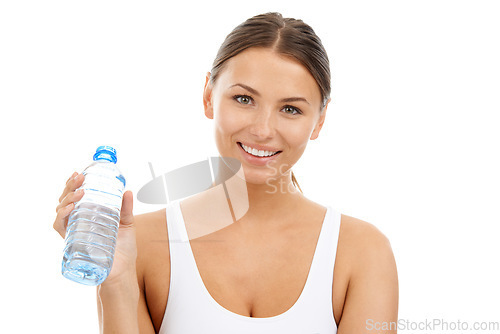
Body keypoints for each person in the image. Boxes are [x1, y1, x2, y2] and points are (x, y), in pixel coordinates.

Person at [53, 12, 398, 334]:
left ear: (319, 121)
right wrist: (115, 282)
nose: (263, 130)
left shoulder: (362, 253)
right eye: (244, 99)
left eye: (290, 109)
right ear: (208, 96)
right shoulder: (138, 245)